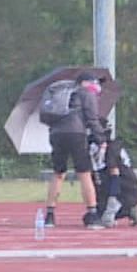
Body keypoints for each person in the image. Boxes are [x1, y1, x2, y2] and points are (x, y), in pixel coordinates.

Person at [41, 71, 107, 228]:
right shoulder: (86, 94)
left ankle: (49, 215)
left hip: (56, 134)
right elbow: (92, 119)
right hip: (76, 134)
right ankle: (92, 214)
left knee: (58, 174)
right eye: (94, 82)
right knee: (84, 174)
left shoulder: (60, 93)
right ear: (85, 82)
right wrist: (101, 140)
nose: (96, 85)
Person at [92, 121, 137, 227]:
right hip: (120, 187)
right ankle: (128, 209)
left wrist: (112, 203)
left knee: (103, 217)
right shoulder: (105, 148)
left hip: (125, 190)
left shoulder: (111, 149)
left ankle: (128, 208)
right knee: (94, 214)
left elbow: (115, 175)